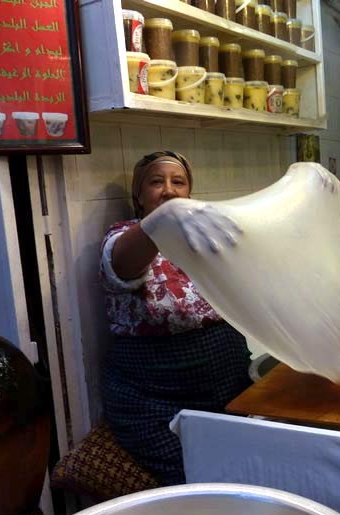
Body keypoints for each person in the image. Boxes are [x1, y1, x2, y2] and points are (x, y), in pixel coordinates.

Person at [99, 151, 252, 486]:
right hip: (155, 398)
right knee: (192, 475)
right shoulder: (124, 236)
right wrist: (166, 219)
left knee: (246, 466)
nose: (168, 190)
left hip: (227, 385)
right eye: (156, 182)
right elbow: (123, 264)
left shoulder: (204, 239)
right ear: (138, 195)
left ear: (189, 193)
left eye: (177, 182)